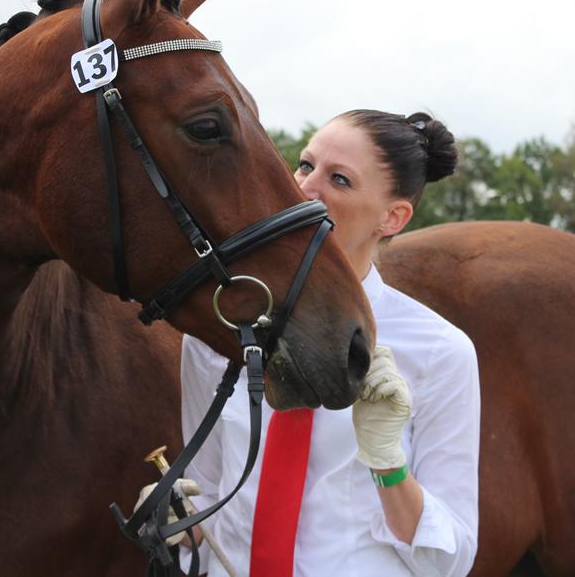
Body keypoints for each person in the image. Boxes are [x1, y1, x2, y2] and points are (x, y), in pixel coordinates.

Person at [147, 109, 481, 576]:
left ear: (392, 217)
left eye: (339, 179)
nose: (302, 189)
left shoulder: (441, 352)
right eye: (305, 165)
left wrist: (389, 467)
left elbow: (449, 560)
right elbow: (210, 495)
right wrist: (181, 521)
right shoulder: (216, 334)